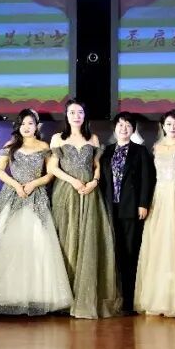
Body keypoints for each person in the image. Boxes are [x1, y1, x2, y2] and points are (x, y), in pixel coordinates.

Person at [0, 109, 73, 315]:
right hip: (13, 195)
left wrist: (33, 184)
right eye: (23, 123)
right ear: (18, 126)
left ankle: (38, 295)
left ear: (36, 126)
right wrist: (16, 185)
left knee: (38, 242)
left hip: (36, 196)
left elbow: (50, 174)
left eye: (30, 123)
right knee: (7, 243)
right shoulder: (10, 146)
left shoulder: (44, 146)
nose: (26, 127)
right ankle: (6, 295)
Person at [48, 99, 120, 319]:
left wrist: (93, 182)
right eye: (72, 112)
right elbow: (52, 168)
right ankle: (64, 298)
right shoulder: (58, 138)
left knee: (88, 240)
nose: (76, 116)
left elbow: (97, 166)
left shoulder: (93, 138)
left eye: (80, 112)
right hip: (66, 192)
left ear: (84, 115)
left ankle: (85, 297)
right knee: (67, 239)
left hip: (89, 193)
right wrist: (73, 181)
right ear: (66, 115)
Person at [133, 110, 175, 318]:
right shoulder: (156, 147)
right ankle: (158, 297)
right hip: (159, 196)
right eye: (169, 124)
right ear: (163, 126)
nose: (172, 127)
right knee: (158, 244)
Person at [98, 112, 154, 314]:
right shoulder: (106, 151)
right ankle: (114, 298)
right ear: (115, 128)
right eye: (120, 125)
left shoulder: (140, 151)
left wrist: (143, 203)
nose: (124, 128)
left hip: (131, 209)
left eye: (128, 125)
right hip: (109, 208)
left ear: (133, 129)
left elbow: (147, 178)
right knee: (113, 253)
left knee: (130, 253)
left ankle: (129, 302)